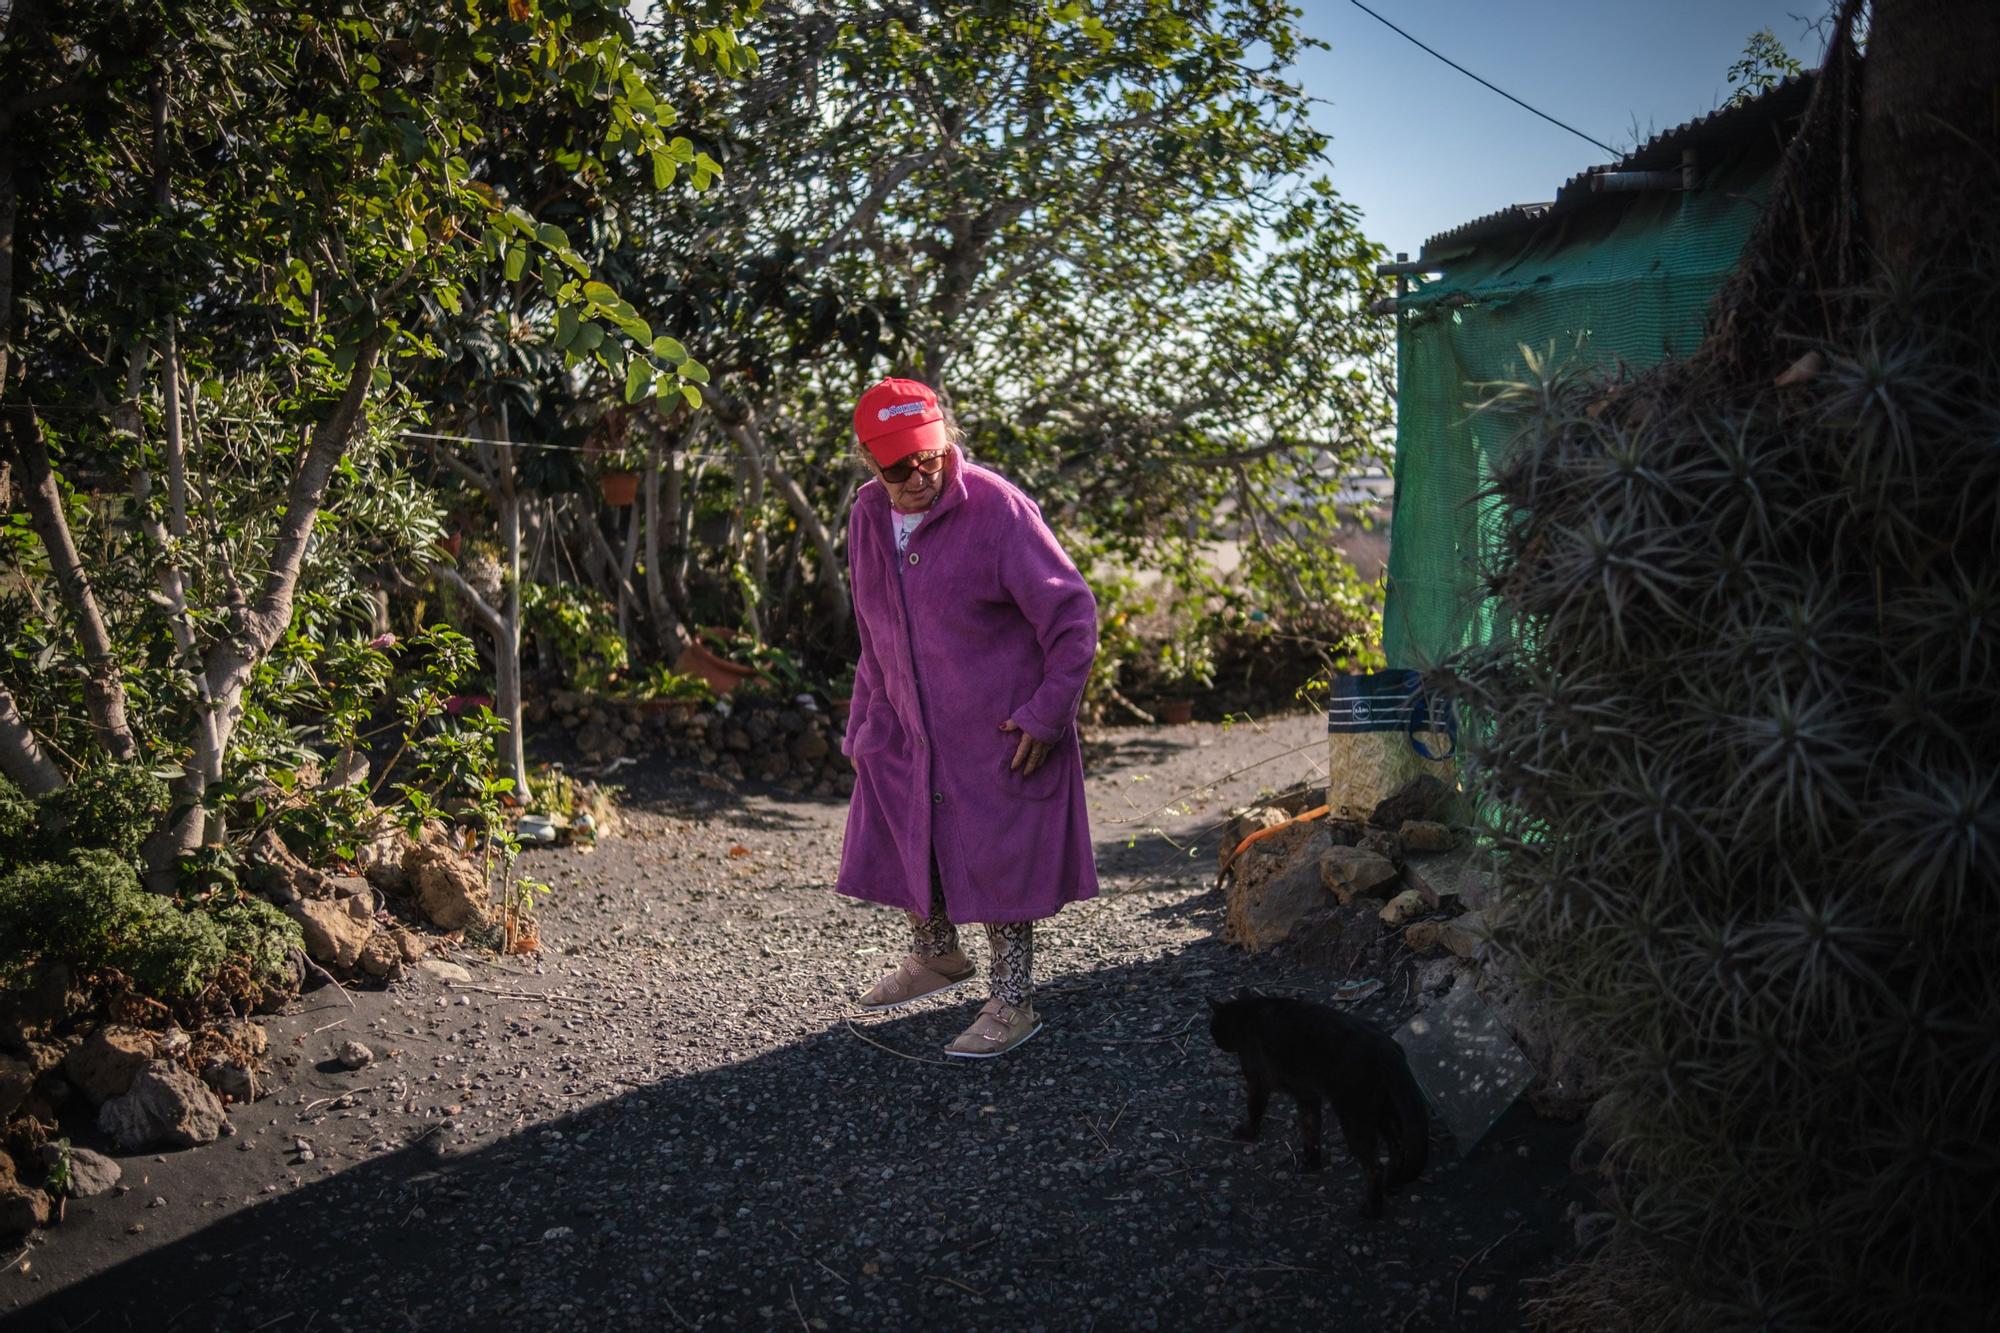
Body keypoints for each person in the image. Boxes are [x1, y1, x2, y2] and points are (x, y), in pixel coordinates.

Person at [836, 376, 1099, 1058]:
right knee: (907, 835)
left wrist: (1047, 715)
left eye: (930, 455)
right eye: (900, 466)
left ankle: (1013, 1000)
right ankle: (936, 955)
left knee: (996, 857)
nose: (920, 475)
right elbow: (872, 630)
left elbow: (1073, 616)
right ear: (869, 460)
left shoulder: (998, 509)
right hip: (902, 720)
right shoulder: (867, 516)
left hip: (998, 729)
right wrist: (865, 720)